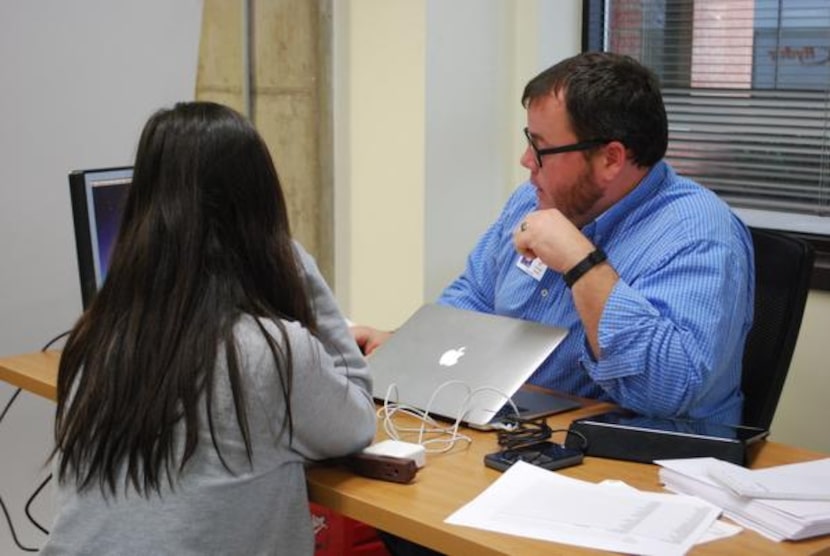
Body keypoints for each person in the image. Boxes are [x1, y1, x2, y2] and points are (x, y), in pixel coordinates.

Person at [41, 102, 376, 555]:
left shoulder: (96, 339)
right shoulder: (270, 352)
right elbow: (356, 422)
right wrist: (302, 269)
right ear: (259, 211)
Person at [354, 51, 754, 426]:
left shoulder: (699, 235)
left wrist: (582, 263)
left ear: (611, 158)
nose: (526, 161)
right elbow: (474, 299)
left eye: (540, 148)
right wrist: (407, 349)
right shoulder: (533, 200)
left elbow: (666, 392)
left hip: (645, 464)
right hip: (526, 428)